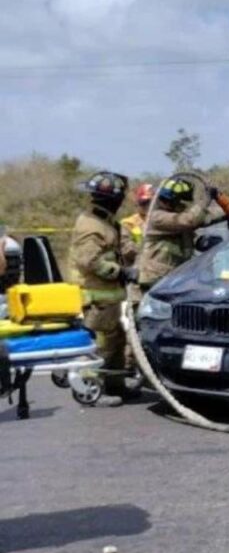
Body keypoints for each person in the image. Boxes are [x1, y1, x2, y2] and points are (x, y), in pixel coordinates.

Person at [67, 172, 138, 407]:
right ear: (112, 200)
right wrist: (121, 272)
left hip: (108, 298)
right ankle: (91, 388)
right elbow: (90, 261)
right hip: (96, 298)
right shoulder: (91, 225)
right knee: (100, 345)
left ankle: (115, 384)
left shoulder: (105, 221)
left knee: (116, 341)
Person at [137, 177, 214, 290]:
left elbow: (205, 217)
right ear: (171, 201)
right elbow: (189, 220)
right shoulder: (156, 217)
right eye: (180, 202)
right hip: (156, 279)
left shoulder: (175, 217)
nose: (182, 205)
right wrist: (204, 201)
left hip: (174, 278)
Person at [120, 183, 154, 257]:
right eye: (143, 203)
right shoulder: (128, 223)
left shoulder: (160, 221)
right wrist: (147, 250)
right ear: (137, 203)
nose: (147, 206)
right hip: (134, 264)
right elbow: (125, 247)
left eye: (150, 202)